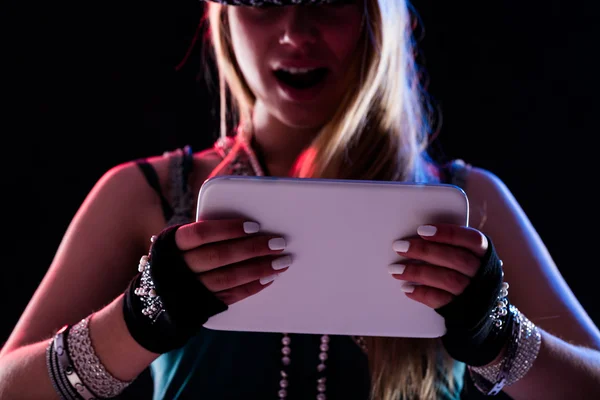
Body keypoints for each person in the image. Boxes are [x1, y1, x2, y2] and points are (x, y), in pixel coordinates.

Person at [1, 0, 599, 399]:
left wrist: (500, 336)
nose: (295, 32)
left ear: (379, 16)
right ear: (221, 18)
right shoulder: (145, 195)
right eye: (262, 1)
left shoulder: (468, 200)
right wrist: (139, 320)